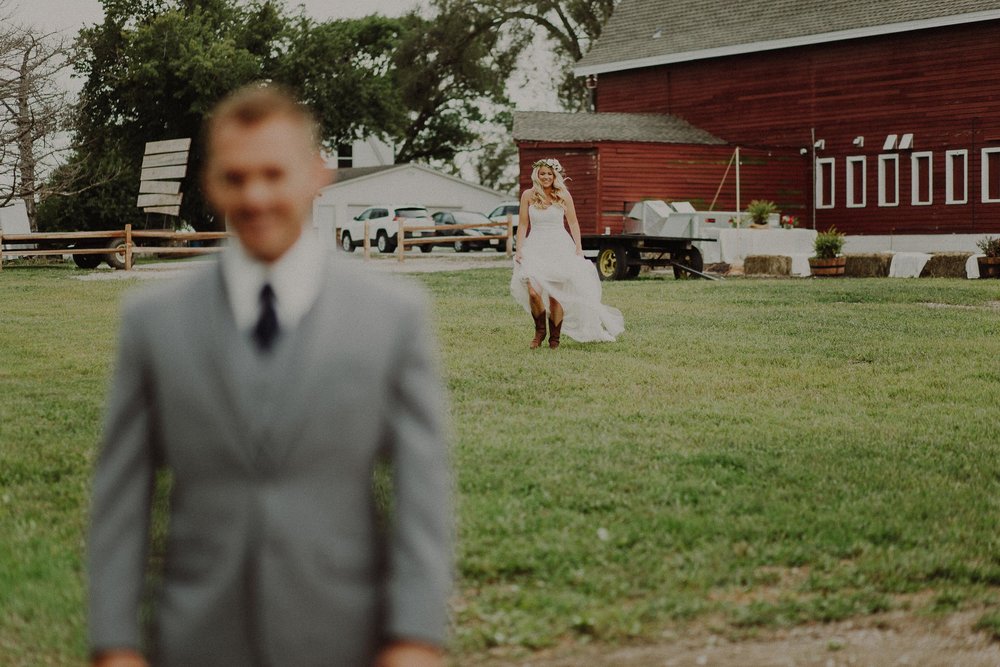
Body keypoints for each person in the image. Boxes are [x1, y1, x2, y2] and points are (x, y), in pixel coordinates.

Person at [87, 84, 452, 667]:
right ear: (210, 183)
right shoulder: (152, 322)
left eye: (273, 174)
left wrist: (415, 637)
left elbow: (423, 488)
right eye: (235, 177)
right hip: (196, 637)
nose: (254, 196)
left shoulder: (393, 316)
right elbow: (121, 496)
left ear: (316, 175)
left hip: (344, 635)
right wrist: (114, 644)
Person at [511, 158, 624, 348]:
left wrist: (578, 248)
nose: (546, 177)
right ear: (536, 175)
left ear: (555, 175)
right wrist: (519, 249)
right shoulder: (528, 195)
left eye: (550, 173)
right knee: (532, 291)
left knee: (556, 296)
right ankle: (540, 332)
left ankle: (554, 339)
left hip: (559, 247)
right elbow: (523, 224)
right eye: (542, 173)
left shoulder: (563, 194)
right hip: (535, 247)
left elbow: (573, 223)